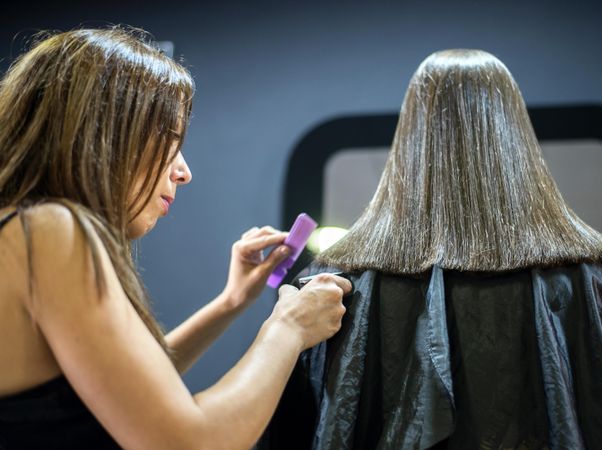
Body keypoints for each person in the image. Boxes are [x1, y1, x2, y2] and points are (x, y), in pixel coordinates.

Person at [262, 50, 602, 449]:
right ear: (513, 132)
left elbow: (298, 428)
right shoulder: (598, 272)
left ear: (411, 136)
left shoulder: (338, 280)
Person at [0, 27, 351, 449]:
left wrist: (231, 302)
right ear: (103, 135)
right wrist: (288, 327)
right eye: (170, 142)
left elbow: (129, 386)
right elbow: (186, 442)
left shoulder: (22, 229)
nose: (183, 172)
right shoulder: (51, 230)